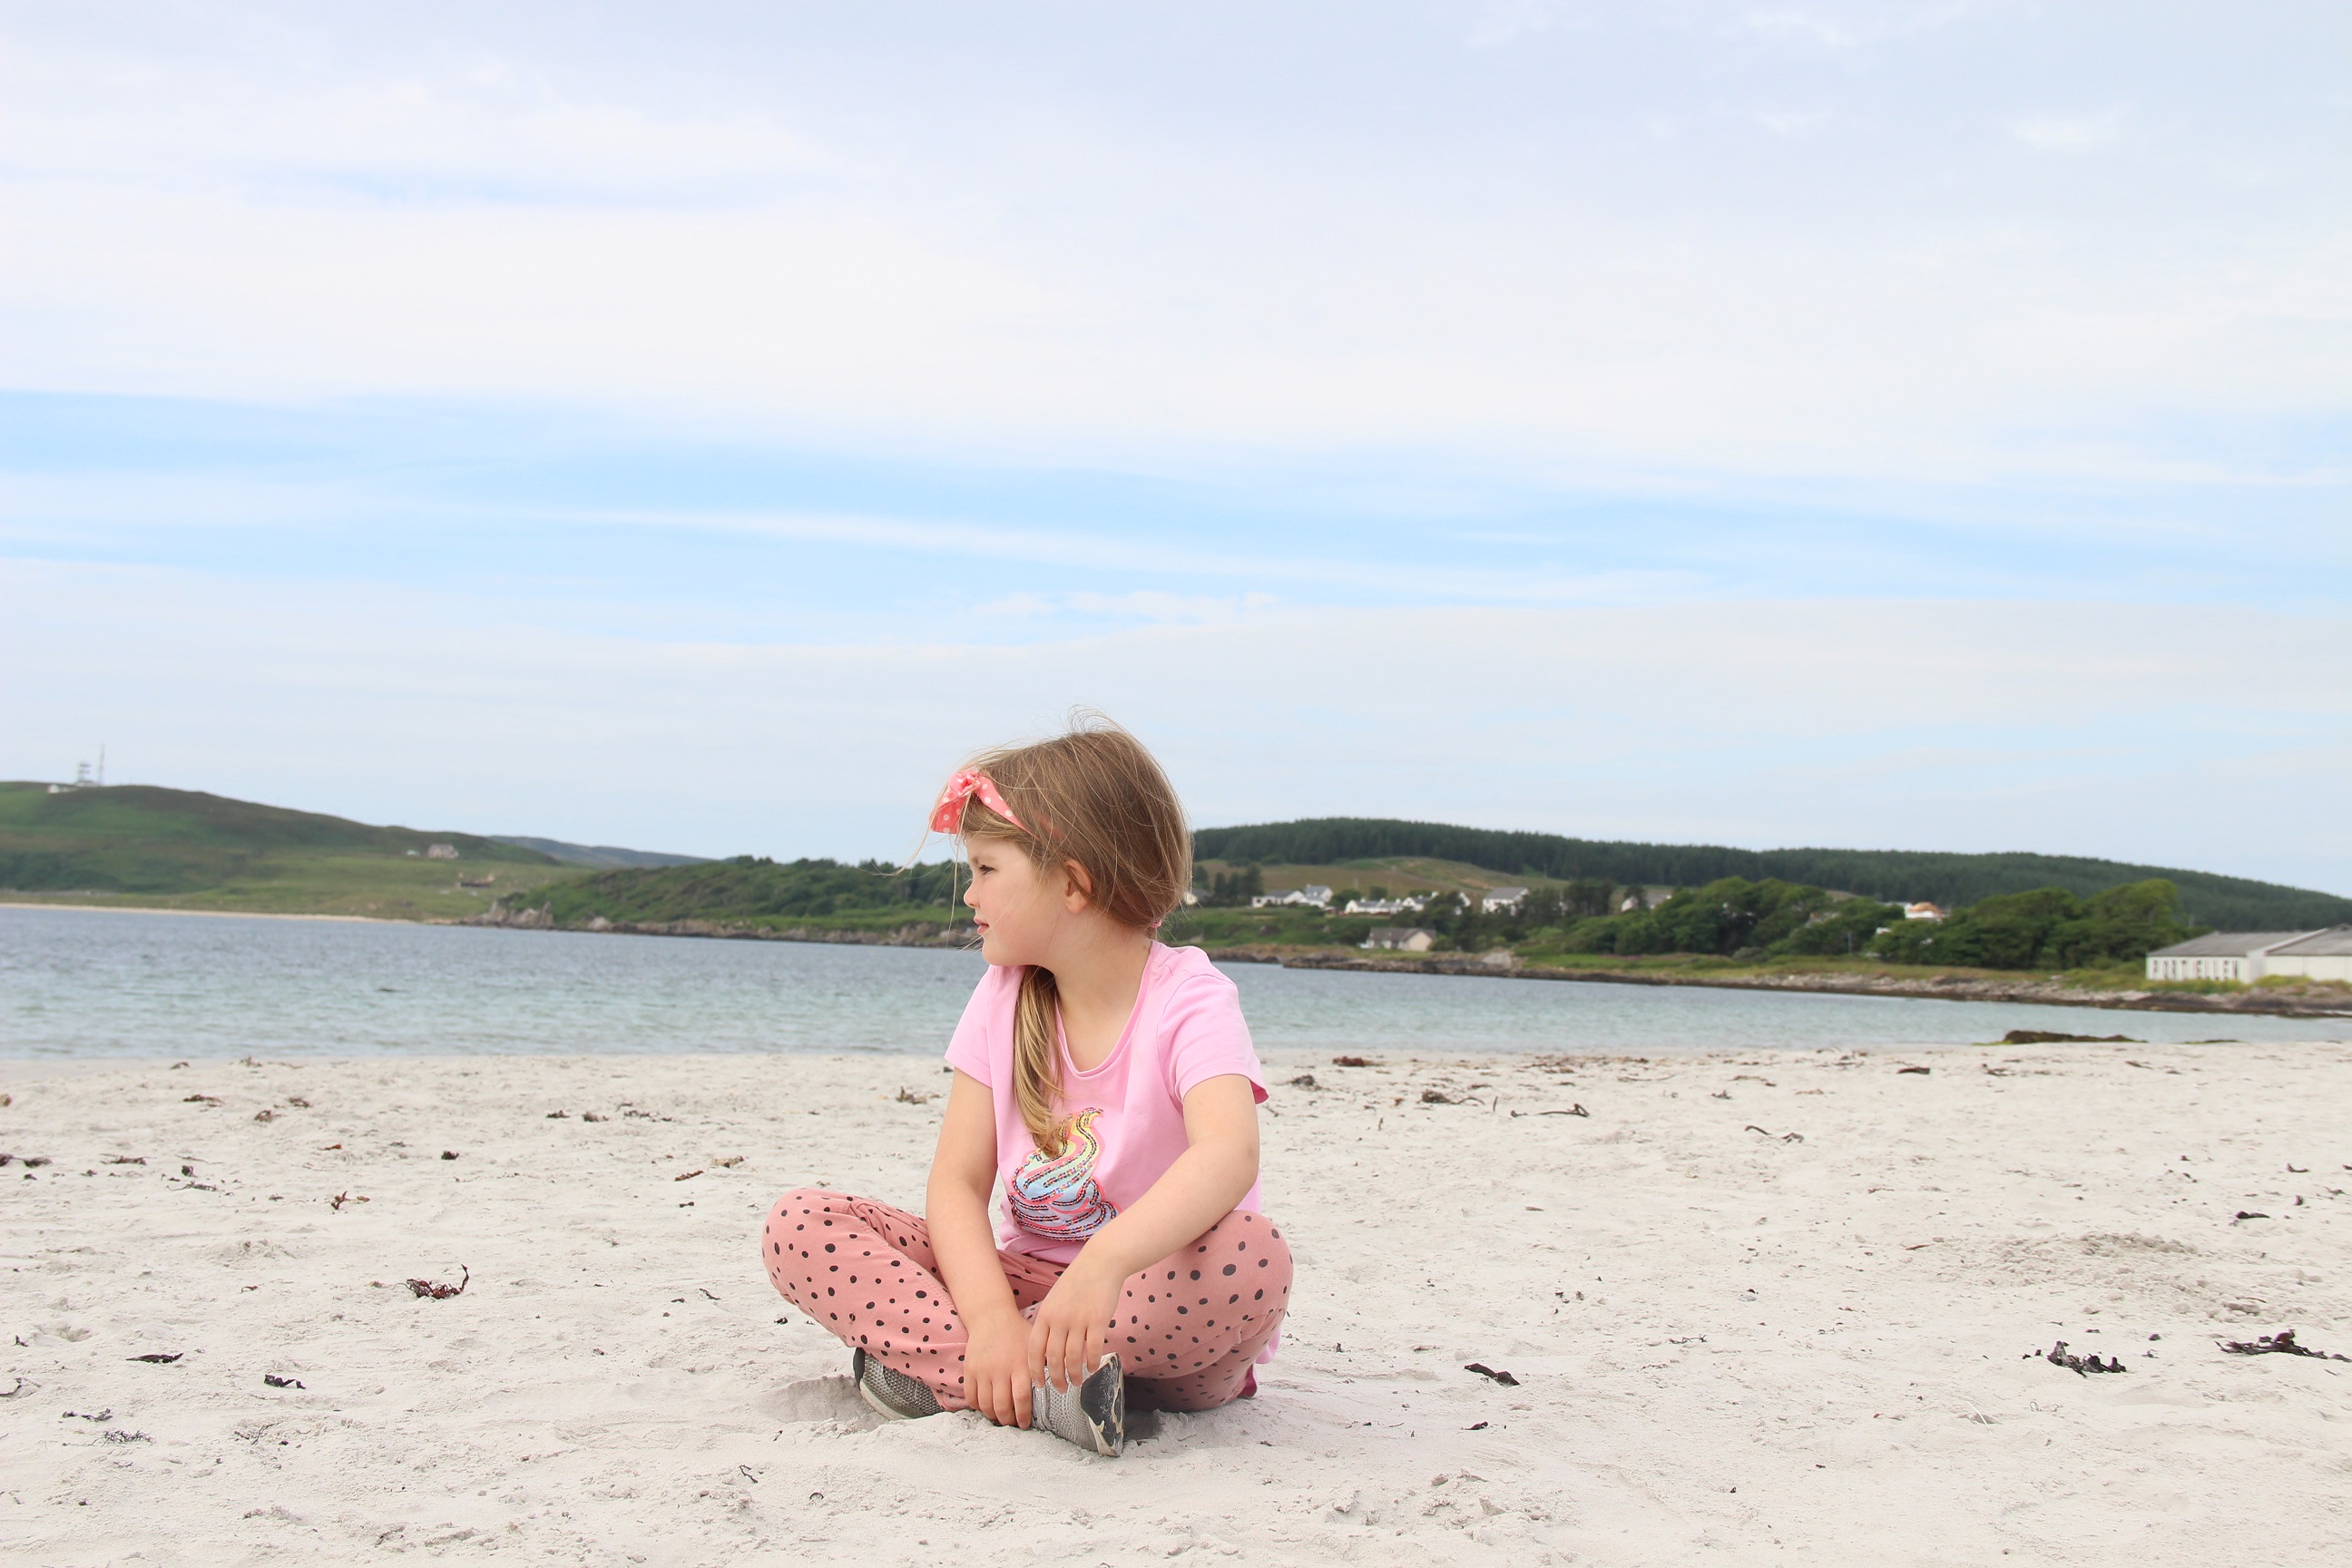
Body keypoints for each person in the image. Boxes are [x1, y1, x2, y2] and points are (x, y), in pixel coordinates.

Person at [760, 719, 1291, 1455]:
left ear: (1071, 883)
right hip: (1024, 1286)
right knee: (800, 1223)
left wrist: (1104, 1265)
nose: (968, 893)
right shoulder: (1002, 997)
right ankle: (1037, 1386)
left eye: (985, 869)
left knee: (1252, 1257)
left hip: (1150, 1303)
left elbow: (1228, 1154)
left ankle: (955, 1376)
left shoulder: (1191, 999)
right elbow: (956, 1183)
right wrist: (989, 1320)